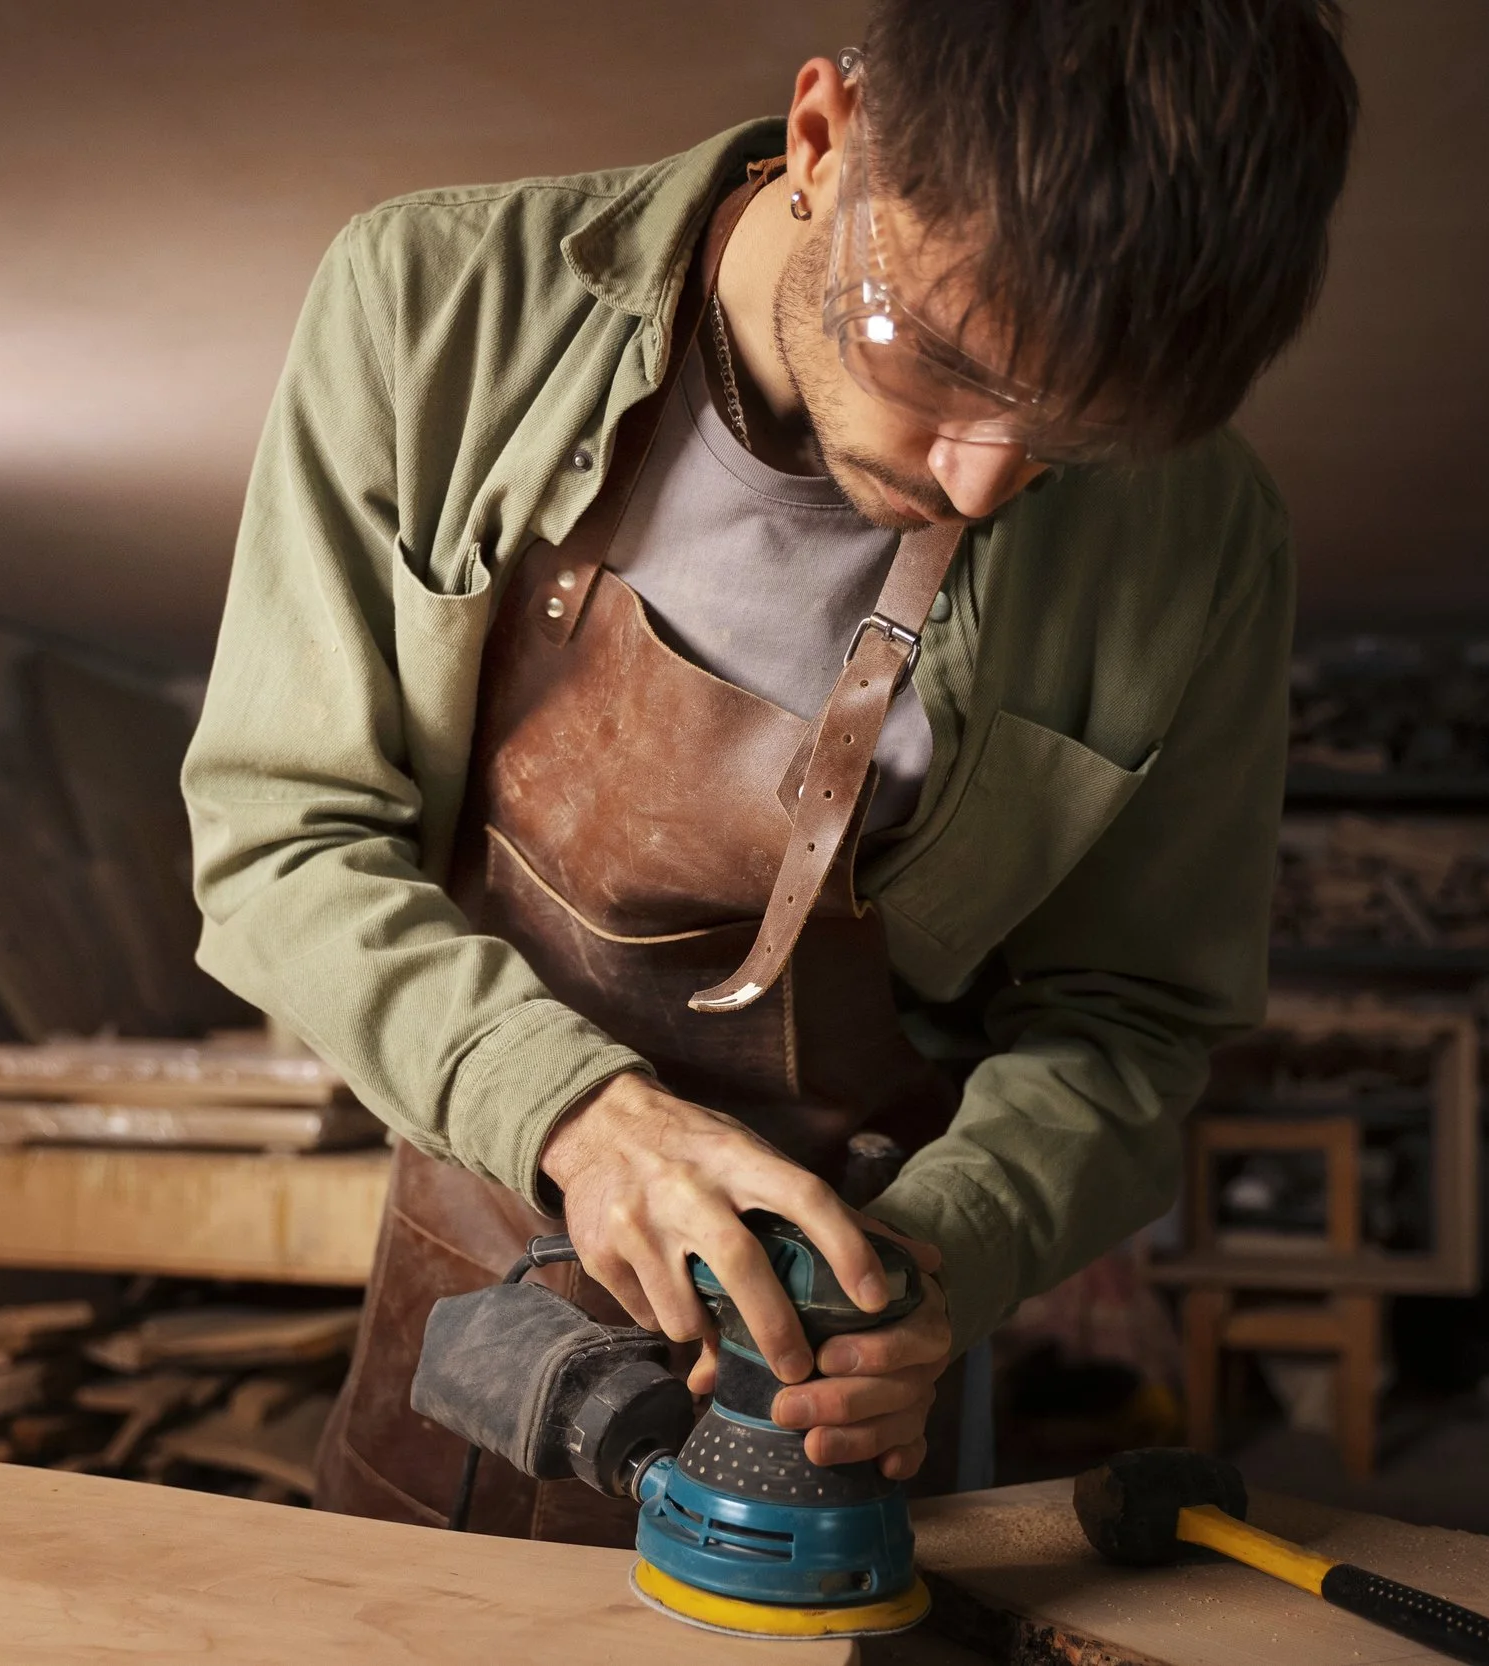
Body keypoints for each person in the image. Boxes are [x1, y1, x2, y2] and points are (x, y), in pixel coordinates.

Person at [184, 0, 1358, 1542]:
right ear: (824, 137)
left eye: (1071, 438)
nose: (980, 479)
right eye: (939, 362)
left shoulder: (1201, 538)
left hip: (853, 1347)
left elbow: (1132, 1023)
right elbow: (280, 831)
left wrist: (939, 1263)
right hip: (482, 1263)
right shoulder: (432, 307)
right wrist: (577, 1114)